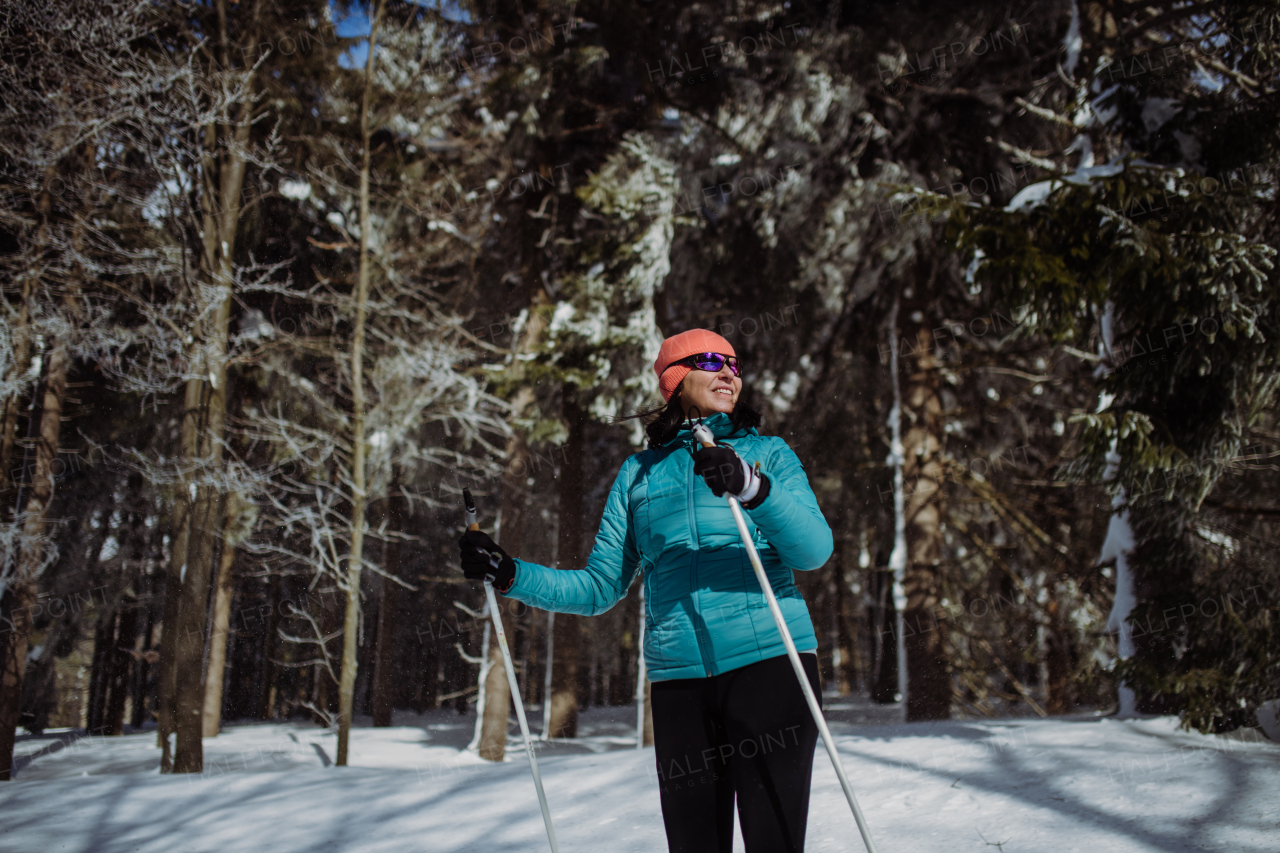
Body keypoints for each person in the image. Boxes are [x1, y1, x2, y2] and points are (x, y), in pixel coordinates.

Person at [459, 328, 833, 853]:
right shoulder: (638, 475)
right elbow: (598, 587)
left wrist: (751, 487)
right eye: (711, 361)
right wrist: (511, 574)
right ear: (675, 380)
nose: (730, 373)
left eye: (735, 363)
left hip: (772, 668)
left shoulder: (766, 454)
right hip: (680, 686)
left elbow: (813, 549)